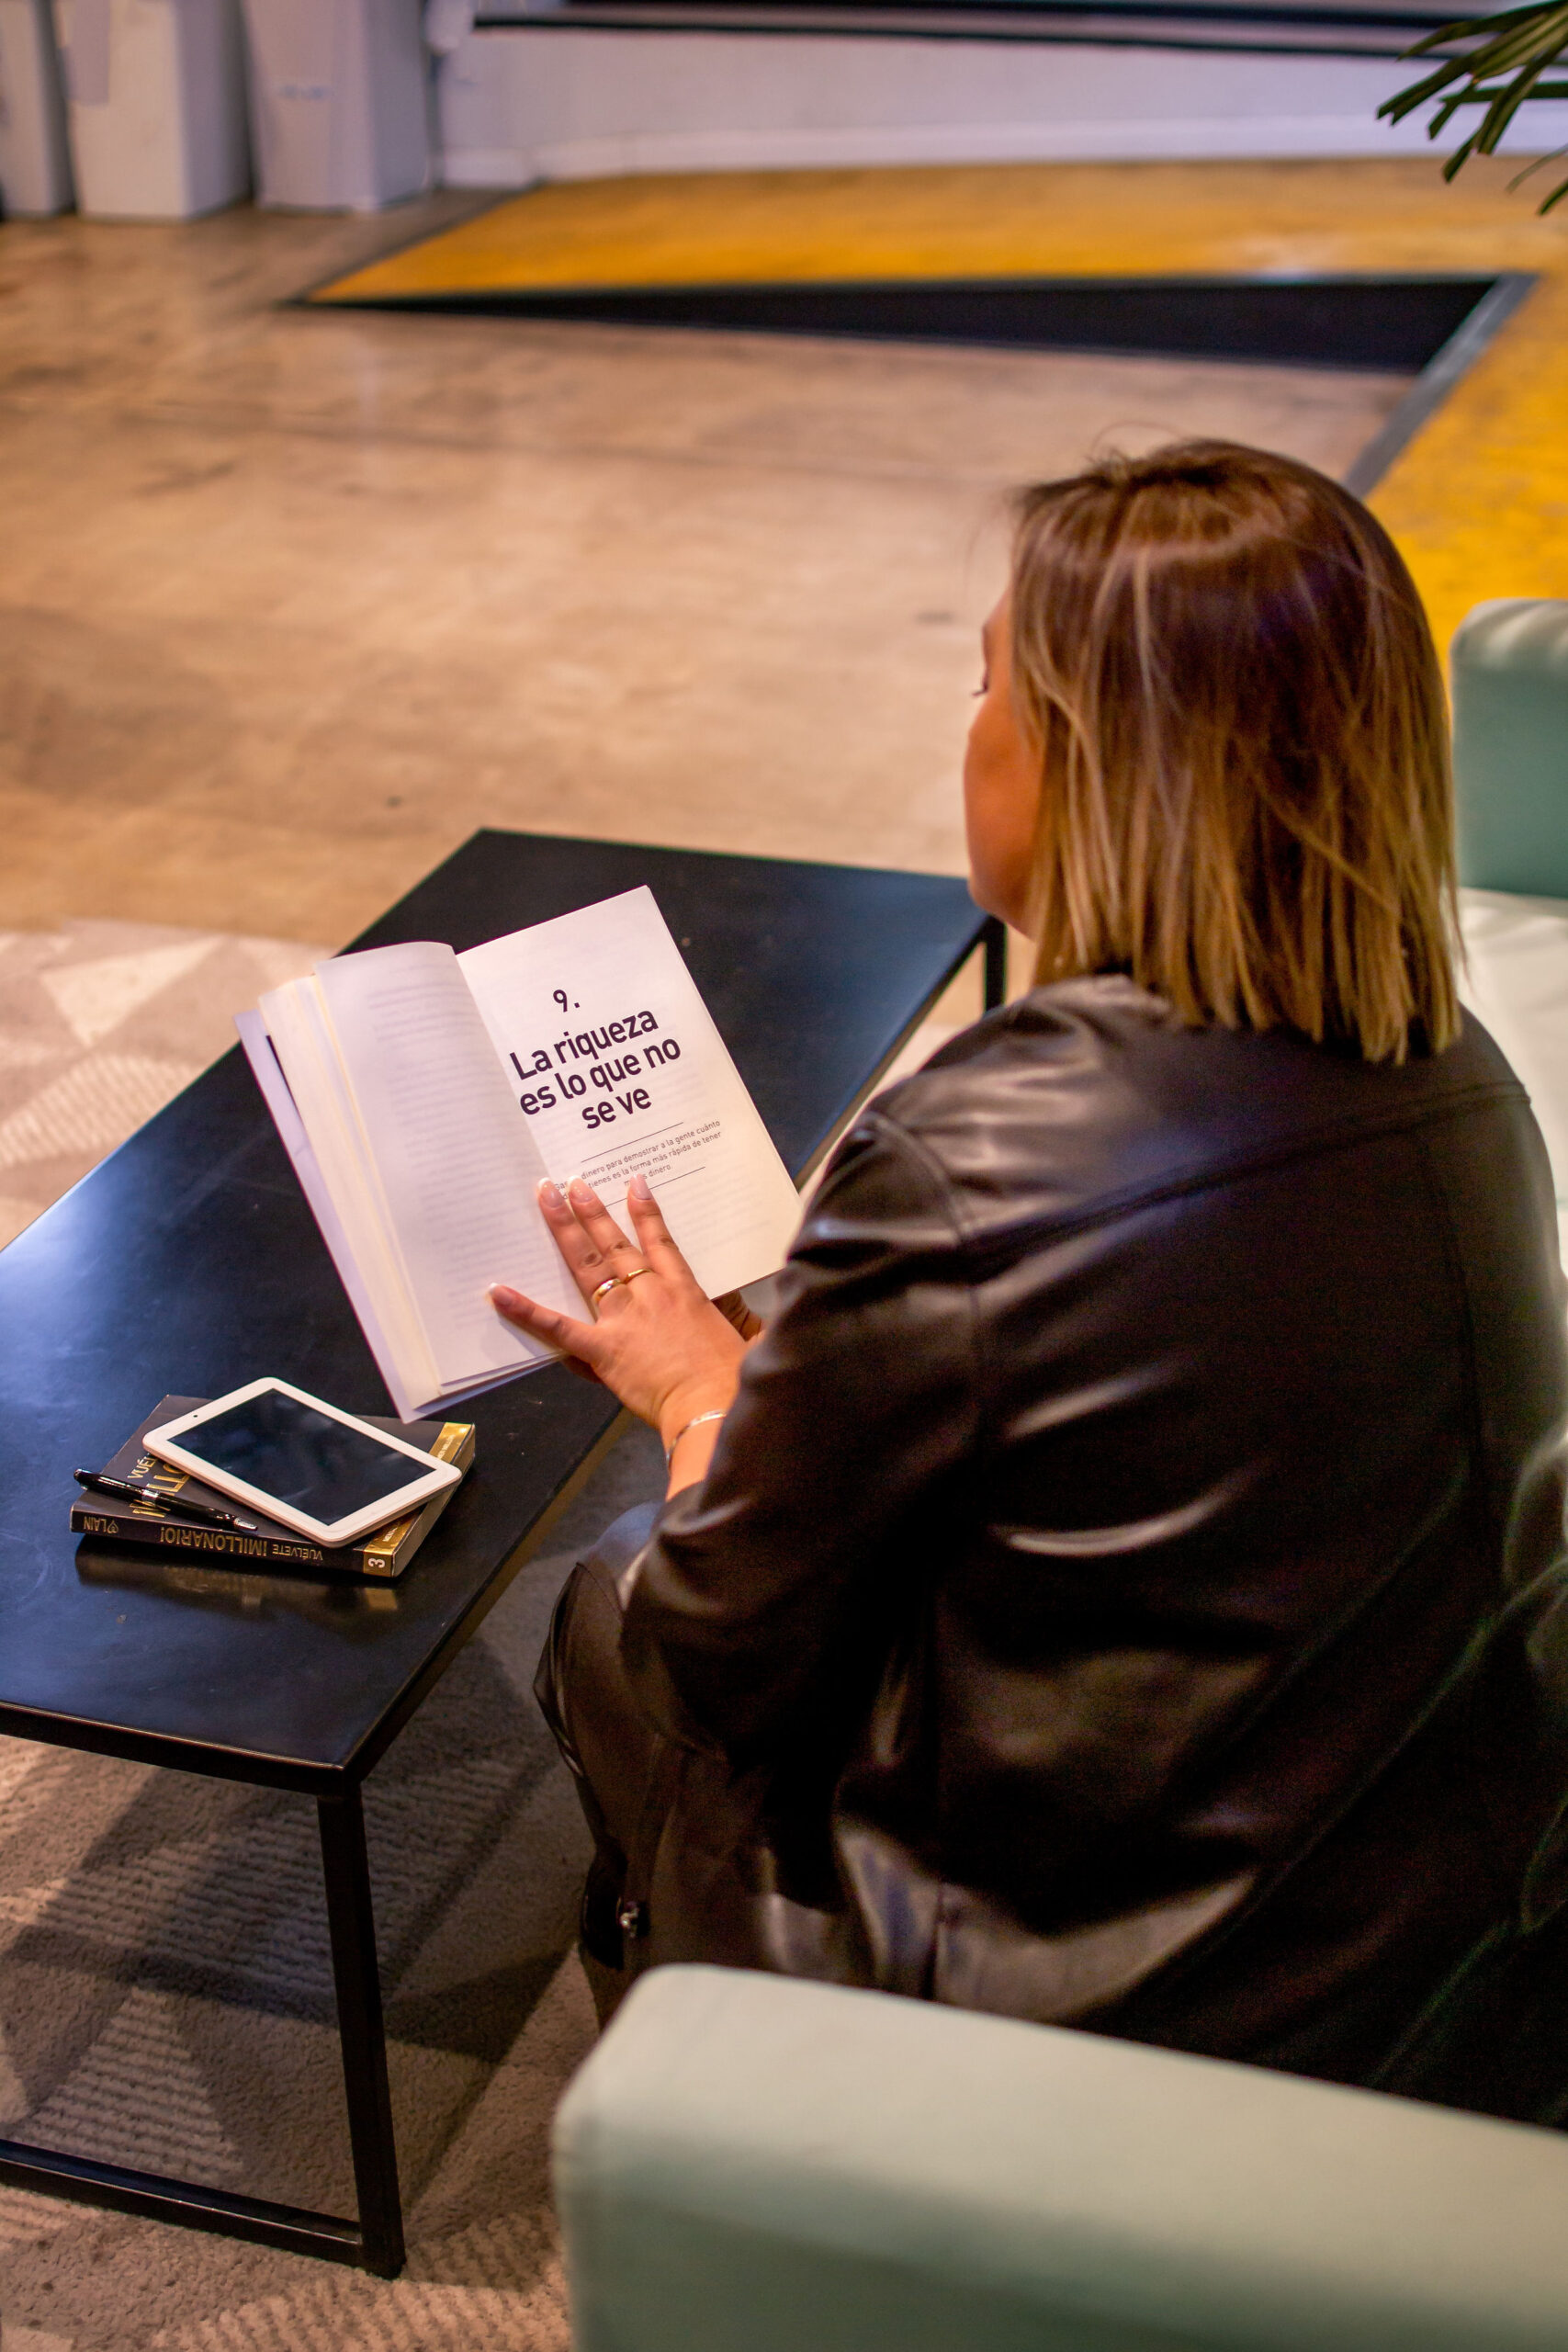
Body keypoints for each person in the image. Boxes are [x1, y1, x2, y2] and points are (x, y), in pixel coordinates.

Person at [491, 440, 1568, 2120]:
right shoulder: (1463, 1070)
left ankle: (721, 2128)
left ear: (1082, 756)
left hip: (1117, 2017)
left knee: (612, 1605)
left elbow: (718, 1661)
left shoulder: (973, 1152)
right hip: (1449, 1948)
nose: (972, 730)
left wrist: (703, 1396)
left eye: (989, 685)